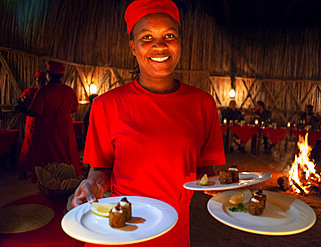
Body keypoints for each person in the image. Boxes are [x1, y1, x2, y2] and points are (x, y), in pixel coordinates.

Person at [71, 1, 226, 246]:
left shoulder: (202, 104)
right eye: (147, 37)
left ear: (180, 42)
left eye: (169, 35)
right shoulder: (107, 105)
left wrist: (227, 187)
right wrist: (92, 184)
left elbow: (207, 171)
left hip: (175, 229)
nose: (160, 45)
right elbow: (100, 170)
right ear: (133, 47)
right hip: (121, 226)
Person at [26, 61, 82, 178]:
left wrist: (22, 108)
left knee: (48, 153)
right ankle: (69, 174)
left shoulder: (44, 91)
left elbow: (35, 111)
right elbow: (74, 108)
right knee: (66, 150)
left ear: (48, 74)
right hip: (65, 125)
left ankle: (49, 178)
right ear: (61, 75)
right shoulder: (69, 91)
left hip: (47, 126)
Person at [17, 72, 48, 179]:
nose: (41, 82)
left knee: (42, 147)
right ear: (36, 80)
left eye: (43, 80)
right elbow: (20, 100)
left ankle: (40, 171)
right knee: (28, 145)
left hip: (44, 122)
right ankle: (24, 168)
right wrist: (22, 101)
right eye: (39, 80)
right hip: (32, 122)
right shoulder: (31, 91)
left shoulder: (47, 92)